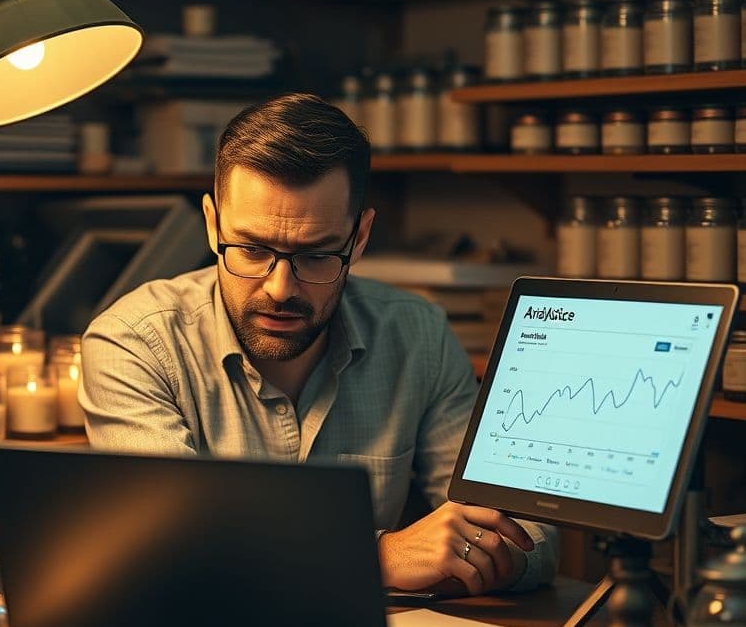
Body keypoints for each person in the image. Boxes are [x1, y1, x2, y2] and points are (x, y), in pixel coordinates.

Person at [80, 93, 558, 595]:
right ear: (211, 222)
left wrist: (480, 549)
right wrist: (374, 556)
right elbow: (173, 546)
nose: (280, 288)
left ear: (360, 236)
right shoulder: (133, 344)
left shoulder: (418, 336)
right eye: (252, 249)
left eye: (316, 255)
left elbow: (533, 536)